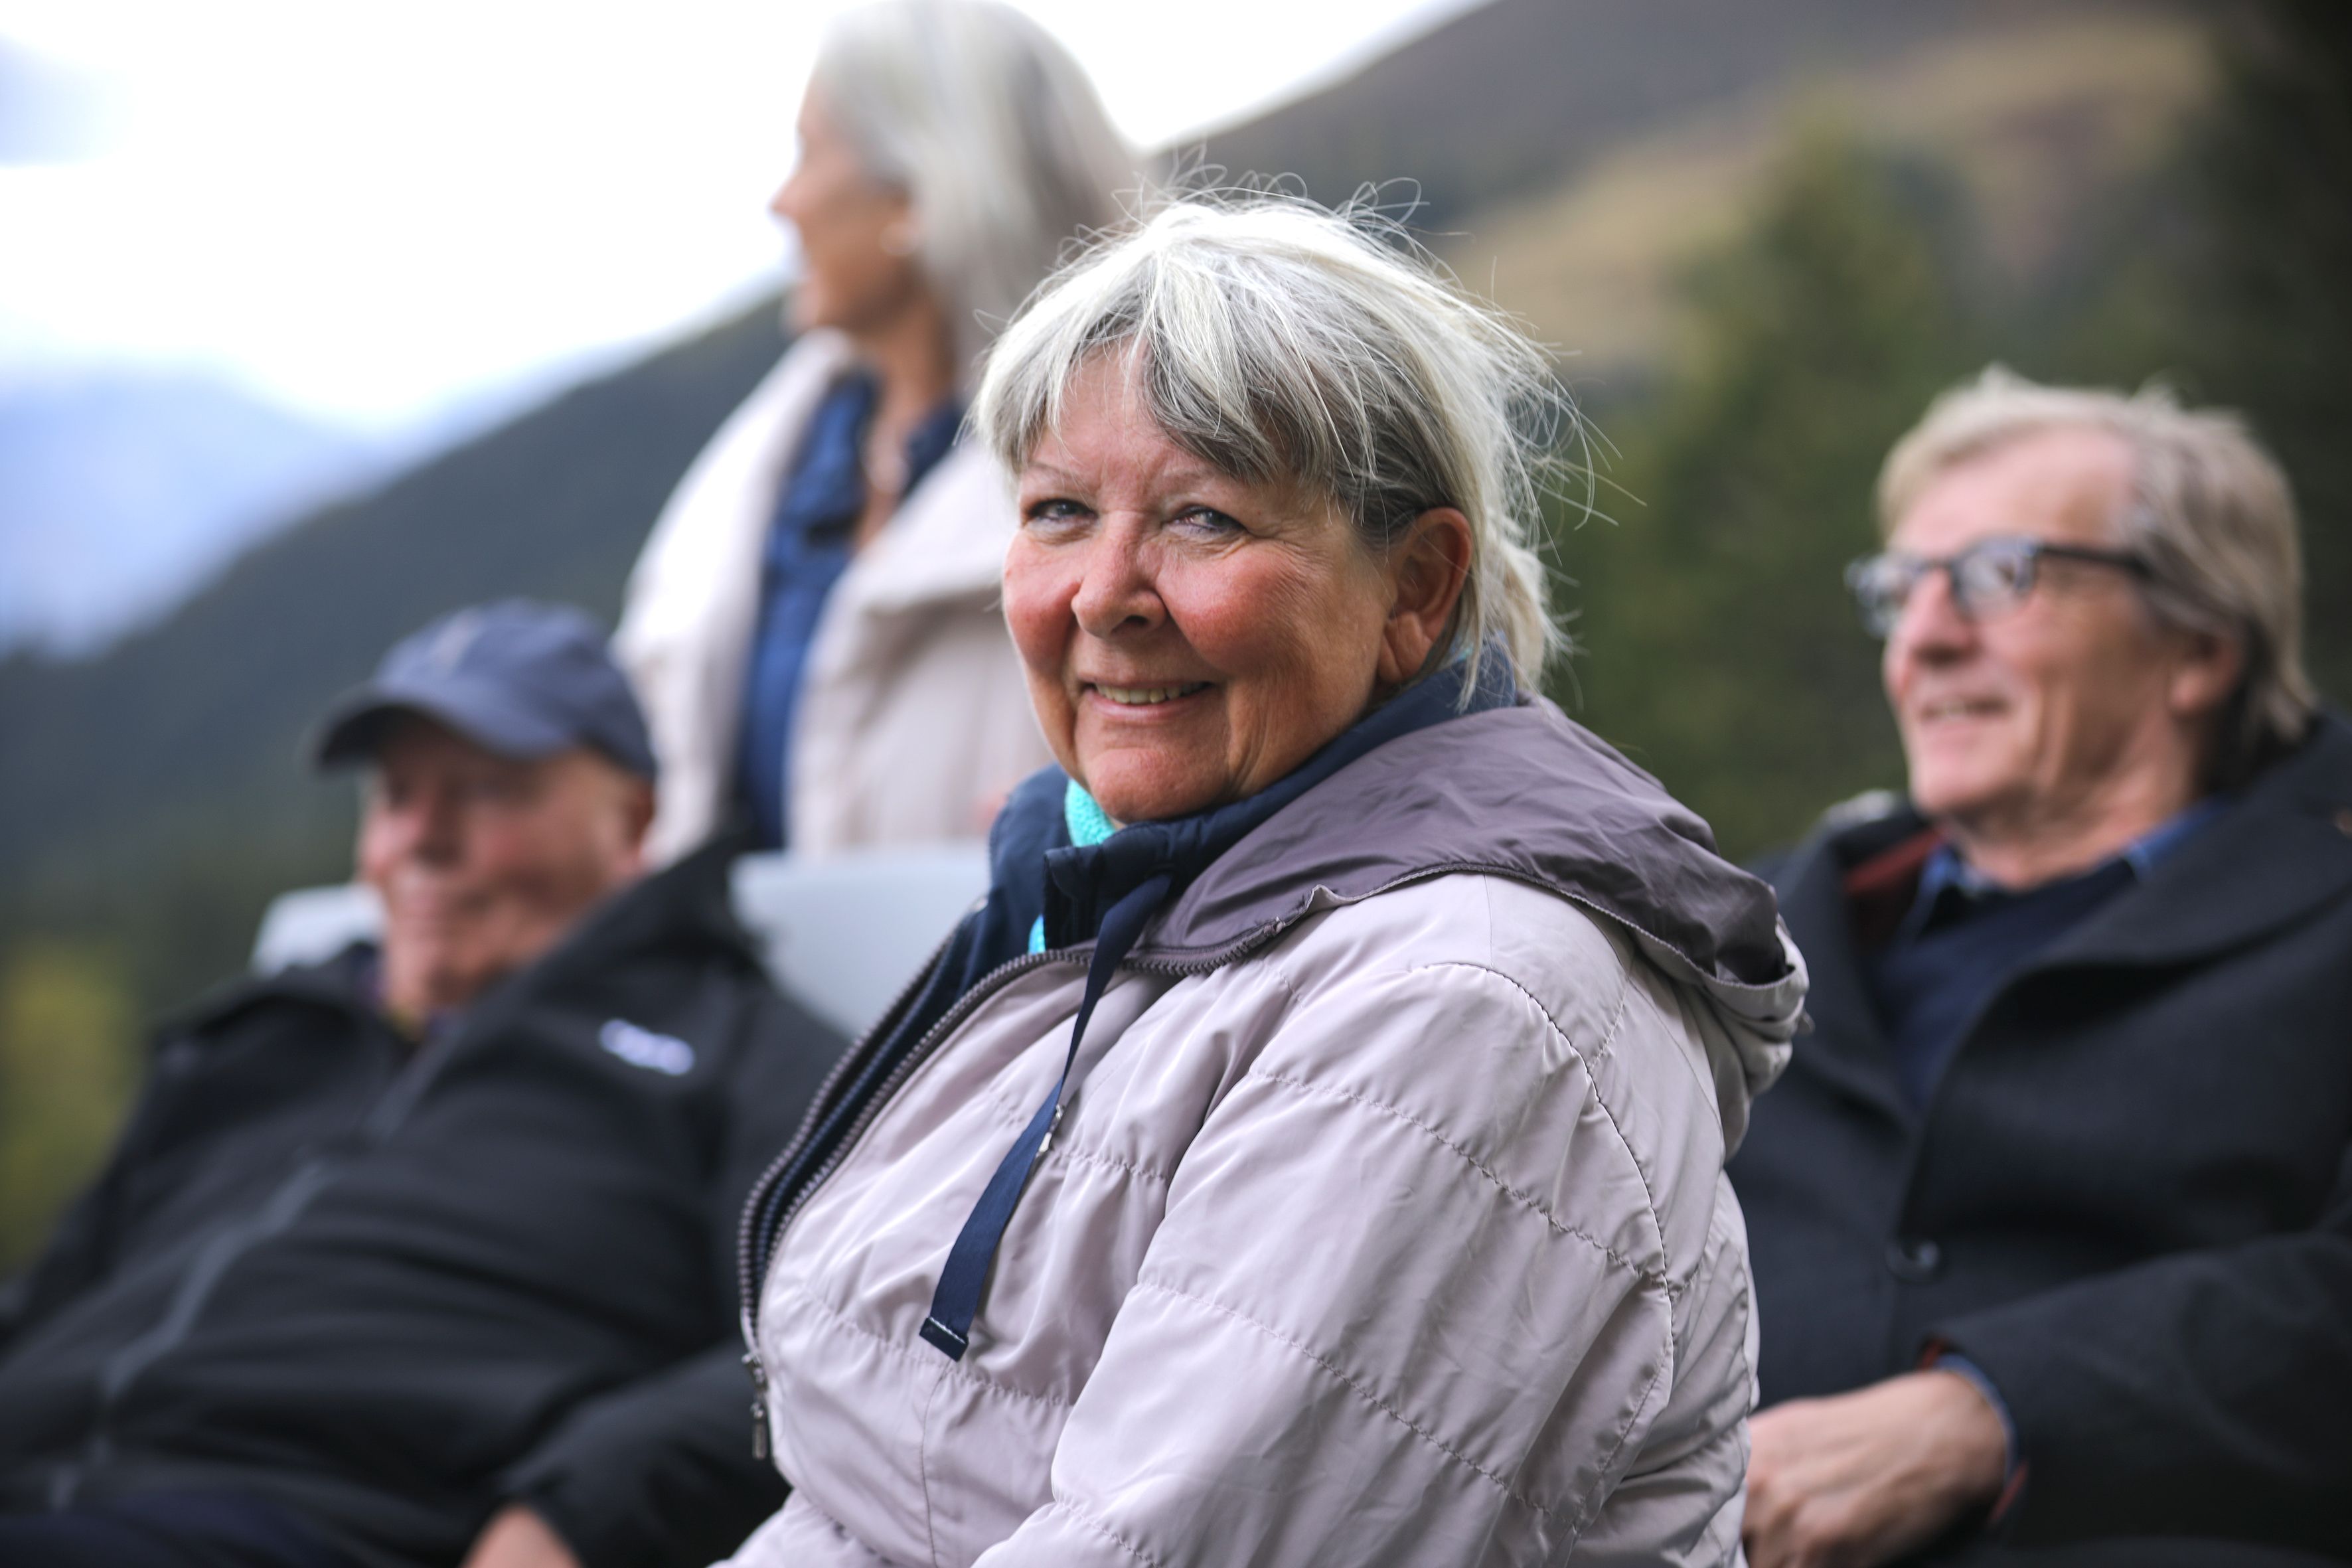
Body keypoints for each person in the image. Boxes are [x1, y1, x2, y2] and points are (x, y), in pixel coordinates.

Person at [718, 196, 1808, 1567]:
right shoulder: (1148, 896)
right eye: (1056, 510)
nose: (1102, 592)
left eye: (1202, 519)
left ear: (1414, 583)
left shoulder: (1462, 1005)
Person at [0, 601, 845, 1568]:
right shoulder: (257, 1037)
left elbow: (833, 1333)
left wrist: (580, 1508)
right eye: (395, 796)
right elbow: (42, 1303)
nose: (421, 841)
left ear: (634, 816)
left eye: (485, 791)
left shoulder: (737, 1046)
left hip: (312, 1525)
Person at [1728, 370, 2352, 1568]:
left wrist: (1993, 1410)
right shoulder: (1740, 933)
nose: (1926, 636)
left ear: (2199, 648)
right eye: (1901, 590)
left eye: (1997, 575)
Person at [616, 0, 1137, 864]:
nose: (783, 203)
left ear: (914, 193)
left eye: (810, 152)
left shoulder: (1132, 488)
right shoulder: (754, 480)